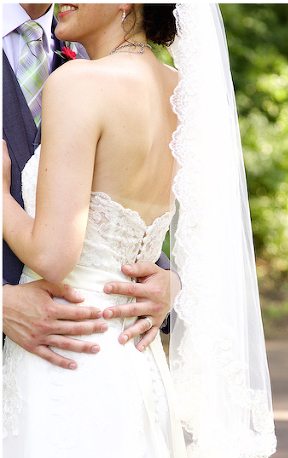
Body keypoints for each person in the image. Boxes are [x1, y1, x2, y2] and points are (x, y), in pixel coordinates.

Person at [2, 4, 276, 458]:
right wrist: (173, 277)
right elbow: (172, 228)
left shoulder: (77, 82)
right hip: (131, 356)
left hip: (65, 351)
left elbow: (54, 254)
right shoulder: (182, 93)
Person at [2, 2, 177, 370]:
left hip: (71, 359)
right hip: (130, 360)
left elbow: (66, 246)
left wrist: (171, 283)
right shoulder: (177, 90)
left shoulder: (83, 69)